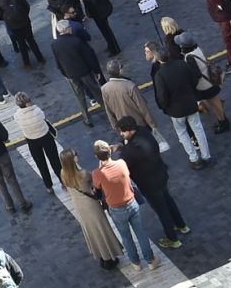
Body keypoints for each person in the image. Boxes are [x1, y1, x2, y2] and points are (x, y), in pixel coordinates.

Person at [115, 116, 188, 247]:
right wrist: (120, 145)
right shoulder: (143, 131)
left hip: (148, 184)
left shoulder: (131, 150)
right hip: (160, 174)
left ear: (130, 130)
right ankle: (181, 225)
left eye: (122, 132)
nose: (121, 134)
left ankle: (173, 239)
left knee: (161, 210)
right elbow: (127, 144)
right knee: (168, 200)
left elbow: (121, 165)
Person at [91, 139, 158, 270]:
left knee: (126, 237)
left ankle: (136, 263)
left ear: (96, 157)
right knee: (141, 233)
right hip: (131, 203)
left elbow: (97, 187)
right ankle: (150, 260)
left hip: (116, 209)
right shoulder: (121, 163)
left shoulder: (97, 173)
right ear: (110, 151)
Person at [150, 39, 213, 168]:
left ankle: (194, 158)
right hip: (190, 103)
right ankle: (206, 156)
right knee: (198, 129)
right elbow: (194, 80)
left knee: (182, 133)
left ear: (158, 59)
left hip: (175, 110)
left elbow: (162, 96)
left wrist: (166, 107)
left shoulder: (159, 75)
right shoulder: (181, 64)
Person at [58, 147, 123, 270]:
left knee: (92, 231)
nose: (78, 155)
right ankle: (109, 257)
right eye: (75, 154)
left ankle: (102, 256)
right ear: (72, 160)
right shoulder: (83, 174)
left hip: (78, 205)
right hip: (91, 205)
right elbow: (95, 183)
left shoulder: (63, 173)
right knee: (101, 229)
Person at [51, 19, 105, 125]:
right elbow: (88, 58)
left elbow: (58, 61)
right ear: (66, 29)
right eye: (70, 27)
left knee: (80, 97)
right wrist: (96, 70)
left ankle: (87, 119)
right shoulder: (76, 41)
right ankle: (108, 111)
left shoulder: (55, 44)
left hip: (70, 75)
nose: (71, 29)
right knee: (96, 92)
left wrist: (64, 74)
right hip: (84, 72)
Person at [12, 93, 61, 192]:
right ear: (27, 102)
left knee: (41, 164)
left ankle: (49, 186)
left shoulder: (17, 116)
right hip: (45, 137)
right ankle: (63, 181)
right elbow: (43, 118)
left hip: (32, 141)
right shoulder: (37, 111)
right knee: (55, 160)